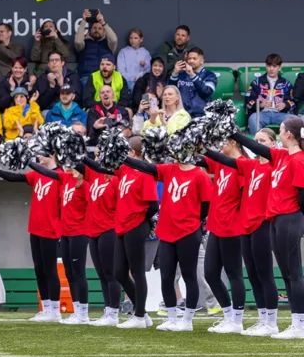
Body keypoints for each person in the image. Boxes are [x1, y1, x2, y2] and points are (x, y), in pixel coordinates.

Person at [123, 148, 212, 331]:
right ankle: (171, 318)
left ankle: (187, 320)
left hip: (188, 232)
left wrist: (194, 221)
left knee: (189, 276)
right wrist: (122, 157)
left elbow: (206, 205)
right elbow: (146, 167)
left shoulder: (199, 175)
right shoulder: (170, 169)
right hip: (166, 231)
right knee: (167, 277)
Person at [233, 122, 304, 337]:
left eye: (281, 129)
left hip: (290, 218)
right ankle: (296, 322)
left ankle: (300, 324)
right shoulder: (282, 156)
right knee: (286, 273)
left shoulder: (299, 159)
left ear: (288, 134)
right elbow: (256, 148)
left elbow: (303, 196)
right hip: (276, 219)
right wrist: (230, 130)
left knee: (294, 273)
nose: (280, 132)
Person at [0, 154, 65, 323]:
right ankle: (45, 309)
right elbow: (16, 178)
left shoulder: (60, 176)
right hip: (35, 229)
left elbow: (64, 207)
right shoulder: (38, 174)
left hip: (51, 231)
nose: (39, 156)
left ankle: (55, 311)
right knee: (39, 270)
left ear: (53, 155)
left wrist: (63, 231)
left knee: (50, 270)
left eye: (44, 154)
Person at [98, 137, 158, 325]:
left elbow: (153, 205)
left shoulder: (145, 173)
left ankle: (139, 315)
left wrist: (141, 219)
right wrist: (80, 157)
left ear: (132, 153)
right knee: (119, 272)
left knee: (137, 271)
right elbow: (102, 168)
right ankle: (142, 311)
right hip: (123, 226)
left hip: (136, 225)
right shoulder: (124, 170)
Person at [230, 129, 280, 336]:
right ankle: (262, 319)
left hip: (263, 223)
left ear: (273, 144)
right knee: (252, 274)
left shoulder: (275, 164)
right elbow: (222, 160)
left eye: (263, 141)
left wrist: (234, 132)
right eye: (256, 140)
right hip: (246, 225)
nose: (258, 144)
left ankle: (272, 322)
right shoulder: (250, 165)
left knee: (265, 274)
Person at [199, 141, 248, 333]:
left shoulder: (242, 164)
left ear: (234, 142)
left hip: (232, 228)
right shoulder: (221, 162)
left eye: (223, 142)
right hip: (215, 226)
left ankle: (237, 320)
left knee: (234, 273)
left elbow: (246, 197)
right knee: (210, 273)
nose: (219, 146)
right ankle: (228, 316)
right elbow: (200, 160)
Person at [80, 152, 120, 326]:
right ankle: (107, 310)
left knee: (111, 274)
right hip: (93, 230)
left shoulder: (117, 179)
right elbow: (77, 164)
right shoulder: (94, 174)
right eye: (95, 155)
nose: (96, 158)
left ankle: (114, 312)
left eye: (99, 155)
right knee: (102, 275)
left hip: (109, 229)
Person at [246, 53, 294, 133]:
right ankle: (257, 144)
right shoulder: (257, 82)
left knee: (296, 121)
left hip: (280, 114)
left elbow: (293, 101)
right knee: (253, 118)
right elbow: (249, 102)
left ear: (279, 67)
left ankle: (291, 145)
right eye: (269, 65)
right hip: (262, 113)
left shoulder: (286, 83)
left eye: (274, 66)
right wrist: (260, 105)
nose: (271, 69)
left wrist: (285, 105)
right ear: (266, 66)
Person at [168, 47, 216, 118]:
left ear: (202, 61)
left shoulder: (209, 75)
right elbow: (171, 92)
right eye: (189, 58)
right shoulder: (182, 75)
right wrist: (175, 73)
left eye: (194, 59)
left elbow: (207, 92)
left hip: (201, 115)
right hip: (182, 115)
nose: (191, 61)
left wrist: (192, 75)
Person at [74, 10, 118, 81]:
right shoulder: (85, 43)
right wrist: (83, 21)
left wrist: (103, 22)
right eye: (94, 28)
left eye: (100, 28)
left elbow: (114, 39)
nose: (96, 30)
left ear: (104, 31)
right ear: (90, 30)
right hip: (87, 76)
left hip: (105, 77)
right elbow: (78, 42)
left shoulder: (108, 44)